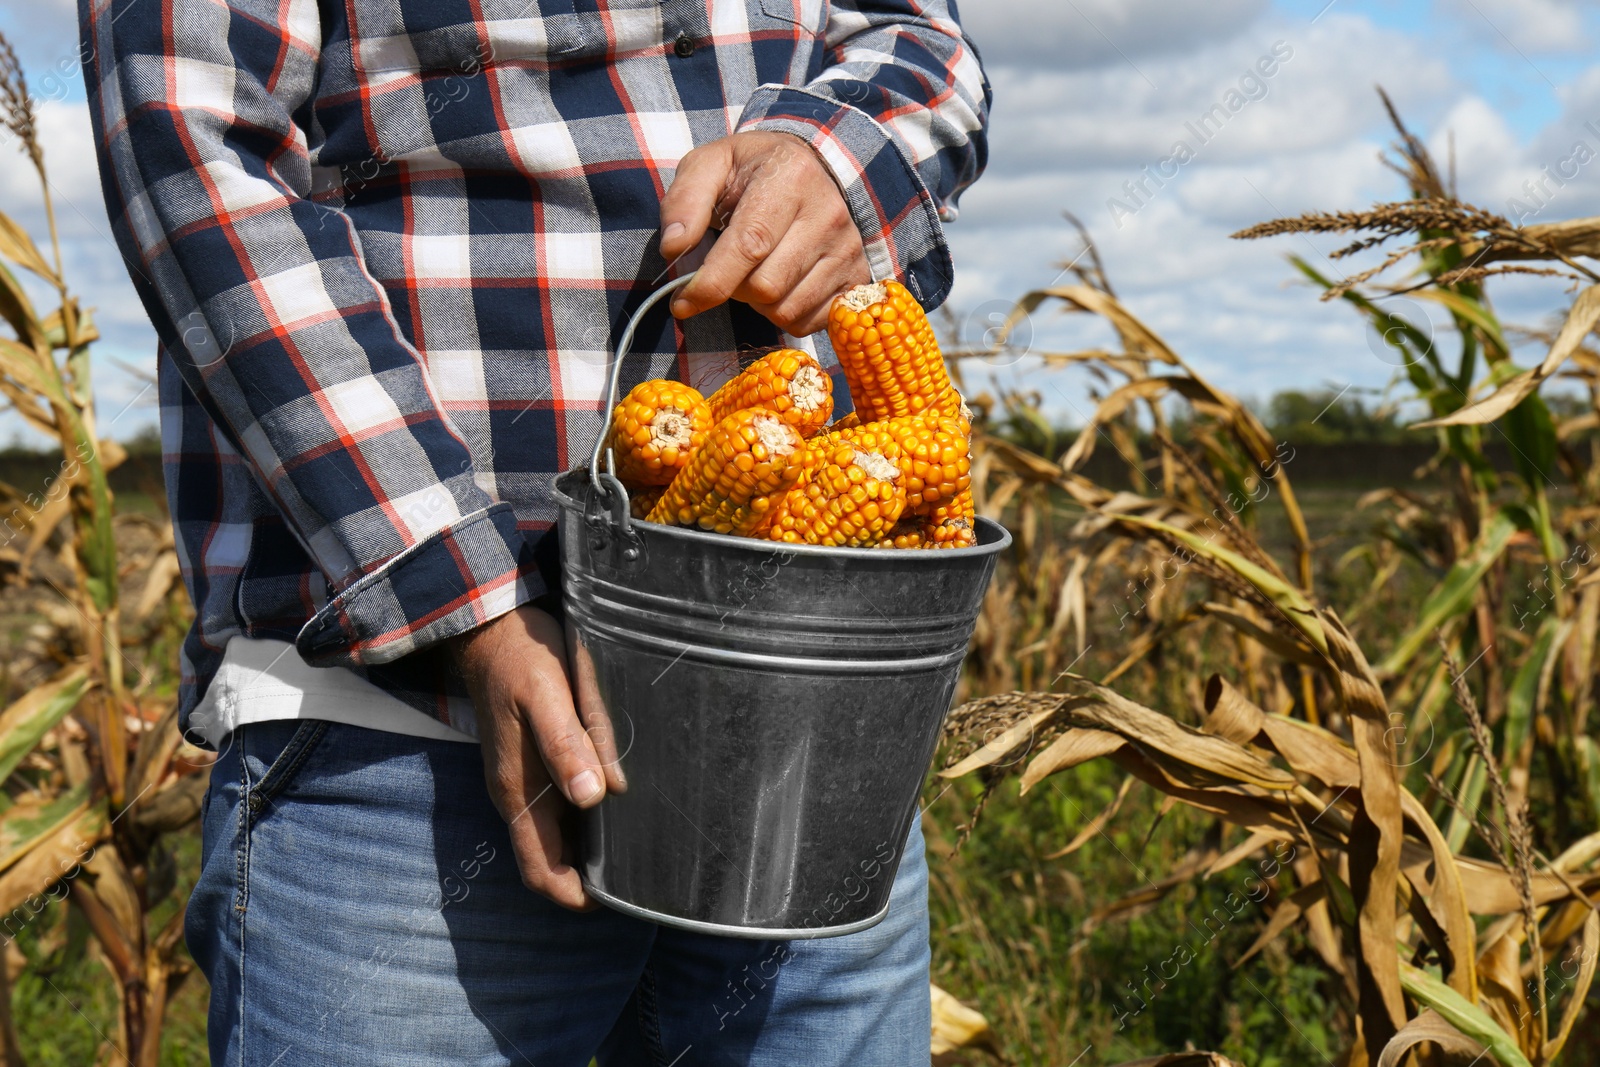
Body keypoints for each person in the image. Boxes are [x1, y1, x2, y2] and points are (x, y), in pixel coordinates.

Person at [82, 0, 989, 1061]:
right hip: (405, 745)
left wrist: (844, 153)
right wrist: (465, 597)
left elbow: (916, 34)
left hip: (805, 729)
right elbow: (195, 151)